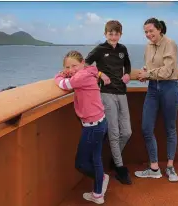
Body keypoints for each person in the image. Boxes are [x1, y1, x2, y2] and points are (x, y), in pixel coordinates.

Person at [54, 51, 109, 204]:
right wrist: (69, 73)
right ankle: (98, 192)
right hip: (100, 122)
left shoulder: (81, 76)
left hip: (92, 127)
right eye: (67, 67)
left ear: (83, 63)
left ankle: (101, 181)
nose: (71, 69)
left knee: (81, 163)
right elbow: (76, 77)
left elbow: (64, 85)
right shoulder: (89, 72)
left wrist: (59, 76)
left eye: (74, 66)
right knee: (96, 158)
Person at [85, 20, 132, 185]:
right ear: (105, 34)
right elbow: (86, 65)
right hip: (105, 93)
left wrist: (128, 75)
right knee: (114, 132)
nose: (113, 36)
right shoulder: (99, 49)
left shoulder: (123, 49)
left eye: (116, 33)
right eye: (110, 33)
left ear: (120, 34)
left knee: (127, 132)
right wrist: (99, 75)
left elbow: (127, 64)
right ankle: (119, 168)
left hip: (122, 92)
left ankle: (114, 156)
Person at [134, 17, 178, 182]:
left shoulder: (170, 44)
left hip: (169, 88)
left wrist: (148, 74)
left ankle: (170, 167)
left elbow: (168, 70)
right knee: (146, 128)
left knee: (170, 128)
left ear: (159, 29)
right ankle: (154, 168)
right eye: (146, 32)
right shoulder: (148, 46)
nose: (148, 34)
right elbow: (150, 66)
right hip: (153, 88)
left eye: (151, 31)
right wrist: (145, 71)